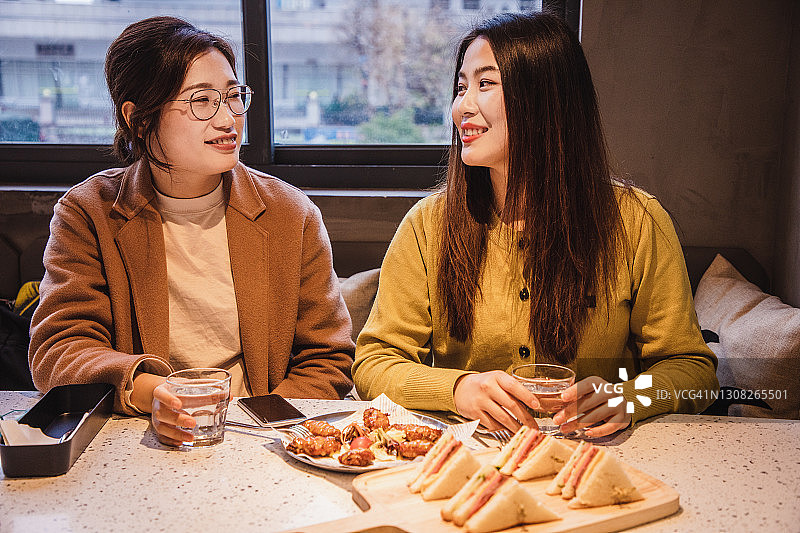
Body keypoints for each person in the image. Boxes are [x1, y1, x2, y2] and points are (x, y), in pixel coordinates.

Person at [353, 12, 718, 438]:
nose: (462, 107)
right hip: (470, 460)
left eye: (485, 83)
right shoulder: (427, 225)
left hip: (595, 455)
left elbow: (692, 367)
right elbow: (375, 363)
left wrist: (628, 398)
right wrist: (458, 389)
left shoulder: (636, 221)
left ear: (546, 98)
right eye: (461, 87)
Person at [28, 16, 354, 446]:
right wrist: (151, 393)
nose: (228, 120)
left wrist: (254, 430)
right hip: (136, 439)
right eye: (202, 101)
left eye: (234, 97)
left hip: (265, 438)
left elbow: (327, 357)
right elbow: (60, 349)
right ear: (140, 119)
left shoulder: (288, 214)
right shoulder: (89, 213)